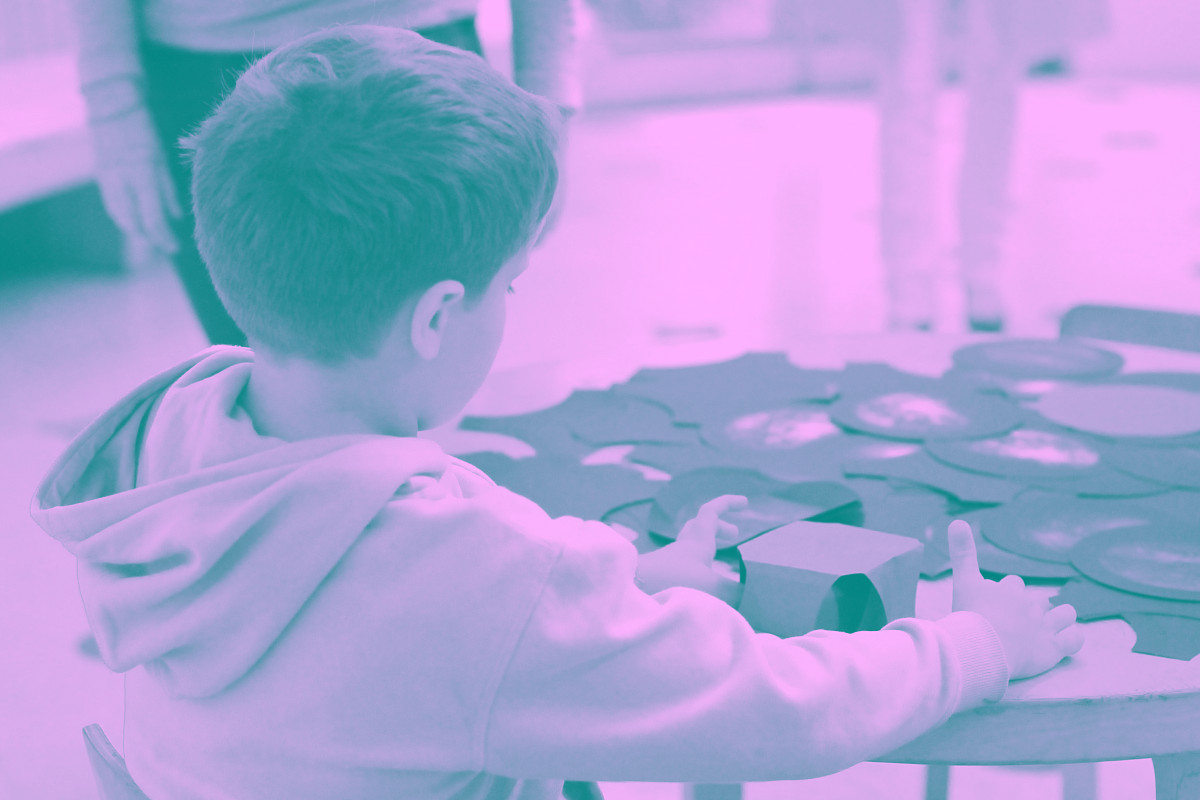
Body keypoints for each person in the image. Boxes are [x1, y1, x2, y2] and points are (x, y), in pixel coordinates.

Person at [32, 27, 1082, 799]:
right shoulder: (470, 570)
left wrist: (618, 577)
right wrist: (976, 644)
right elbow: (776, 706)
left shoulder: (173, 439)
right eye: (511, 284)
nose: (513, 305)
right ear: (440, 315)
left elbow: (417, 609)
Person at [68, 0, 580, 347]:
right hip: (204, 66)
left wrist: (550, 96)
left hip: (423, 45)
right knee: (270, 378)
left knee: (432, 358)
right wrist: (114, 111)